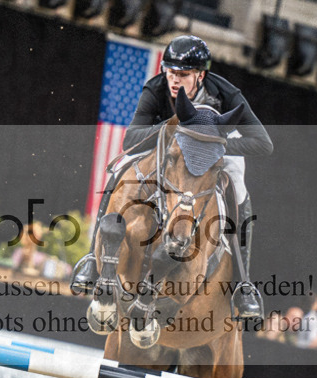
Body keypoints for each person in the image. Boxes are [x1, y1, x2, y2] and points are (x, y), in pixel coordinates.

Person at [71, 35, 272, 320]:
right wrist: (173, 132)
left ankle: (243, 284)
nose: (174, 80)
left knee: (238, 187)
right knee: (118, 167)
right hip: (169, 146)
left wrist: (215, 145)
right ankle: (93, 259)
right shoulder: (155, 88)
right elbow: (131, 138)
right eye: (170, 72)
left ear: (201, 75)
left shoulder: (226, 93)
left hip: (215, 149)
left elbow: (263, 144)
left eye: (183, 74)